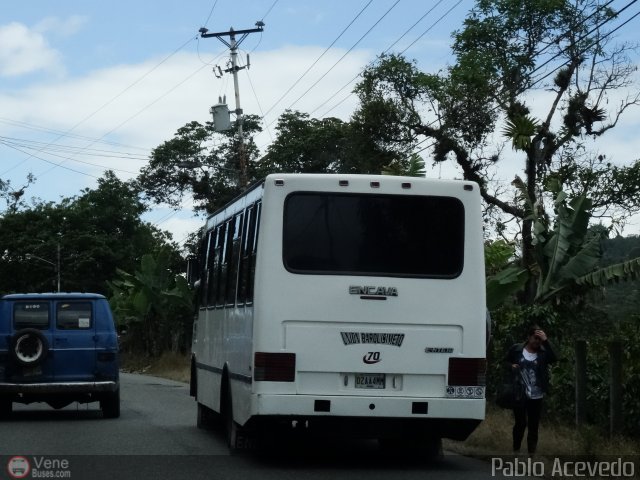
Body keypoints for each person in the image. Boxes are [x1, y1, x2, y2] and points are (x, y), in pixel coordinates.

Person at [504, 325, 557, 454]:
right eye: (535, 338)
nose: (537, 341)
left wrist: (546, 341)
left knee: (534, 425)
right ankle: (516, 450)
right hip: (520, 394)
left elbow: (554, 358)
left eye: (540, 339)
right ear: (529, 337)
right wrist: (511, 366)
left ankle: (531, 454)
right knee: (520, 423)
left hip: (537, 395)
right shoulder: (516, 349)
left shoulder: (543, 353)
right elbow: (505, 362)